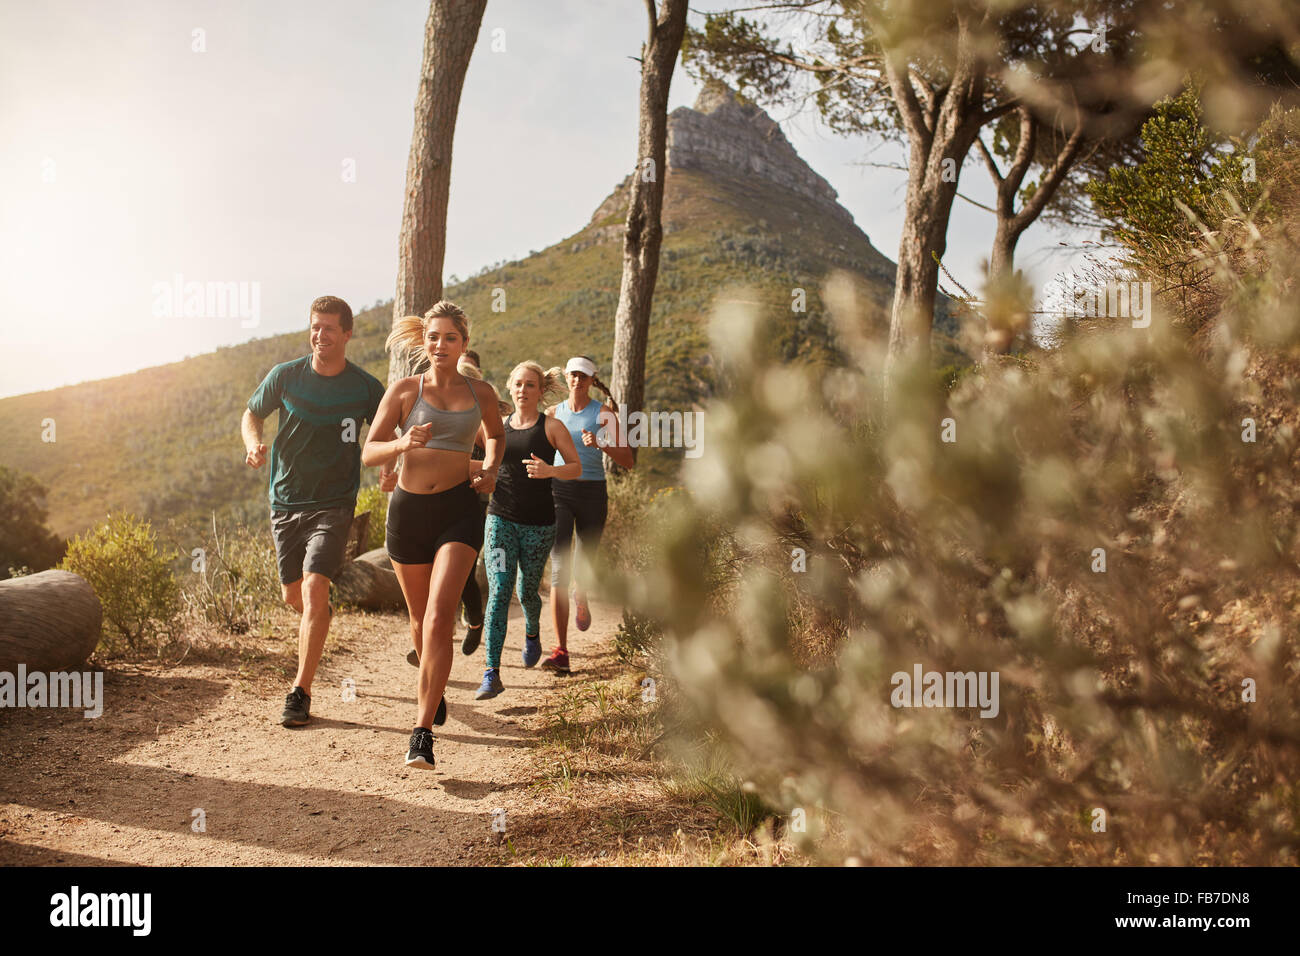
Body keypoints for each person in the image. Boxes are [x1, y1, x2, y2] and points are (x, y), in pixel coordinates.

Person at [361, 301, 504, 771]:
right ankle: (433, 687)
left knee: (442, 617)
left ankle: (421, 734)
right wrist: (403, 443)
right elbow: (369, 451)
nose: (440, 345)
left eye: (450, 338)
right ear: (423, 342)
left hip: (458, 511)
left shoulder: (480, 392)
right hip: (409, 513)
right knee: (420, 621)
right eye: (433, 337)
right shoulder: (405, 390)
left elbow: (497, 437)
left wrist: (489, 469)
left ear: (463, 343)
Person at [242, 295, 388, 728]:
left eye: (329, 328)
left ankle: (300, 690)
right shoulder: (285, 377)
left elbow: (388, 430)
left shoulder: (364, 387)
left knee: (314, 587)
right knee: (297, 596)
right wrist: (253, 445)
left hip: (335, 503)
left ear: (346, 334)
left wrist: (391, 466)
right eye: (315, 326)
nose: (320, 335)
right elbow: (252, 413)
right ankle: (319, 617)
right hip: (285, 501)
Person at [474, 362, 582, 699]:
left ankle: (533, 632)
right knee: (500, 592)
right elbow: (479, 459)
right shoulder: (495, 426)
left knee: (527, 592)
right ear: (510, 387)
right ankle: (491, 672)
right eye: (518, 384)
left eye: (530, 385)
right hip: (500, 519)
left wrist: (550, 470)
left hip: (539, 524)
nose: (523, 390)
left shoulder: (552, 427)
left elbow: (576, 467)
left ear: (540, 390)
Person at [543, 356, 634, 675]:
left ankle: (582, 591)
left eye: (583, 376)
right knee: (559, 569)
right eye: (572, 375)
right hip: (559, 491)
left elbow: (628, 459)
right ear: (566, 378)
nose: (577, 380)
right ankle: (561, 651)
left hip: (593, 493)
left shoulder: (603, 414)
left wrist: (602, 444)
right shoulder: (553, 414)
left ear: (592, 380)